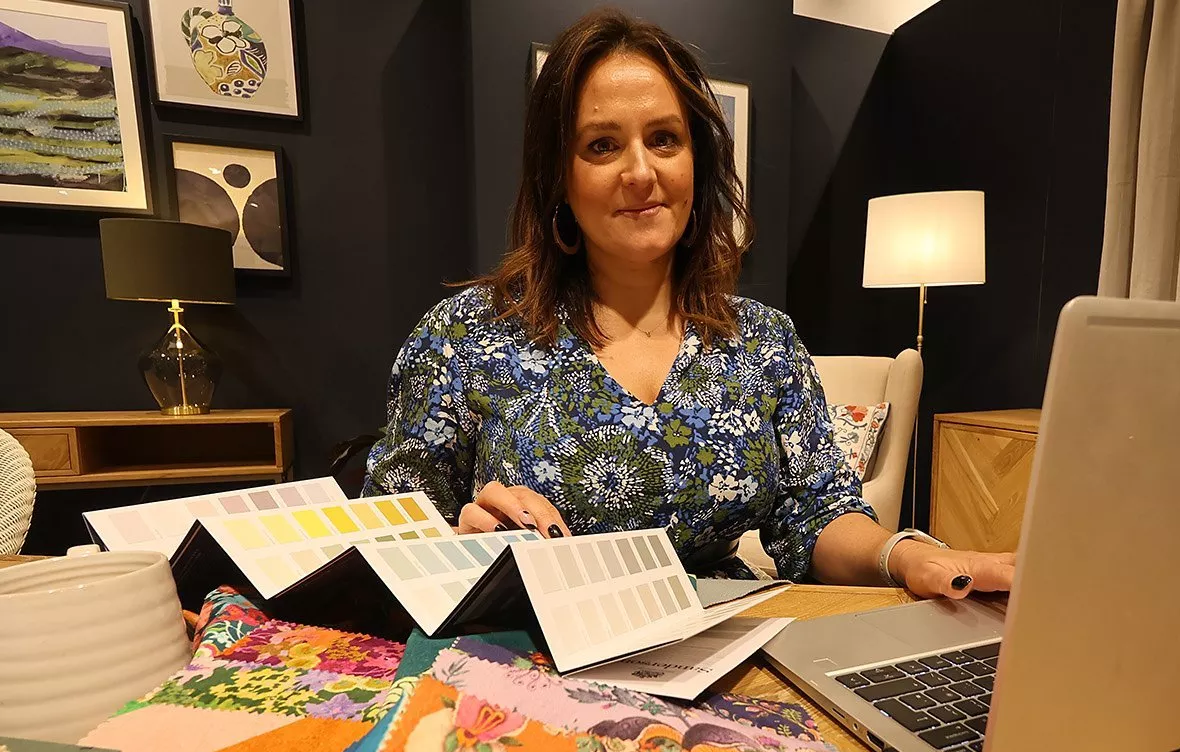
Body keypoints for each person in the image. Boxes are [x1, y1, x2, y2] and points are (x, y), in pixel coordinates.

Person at [364, 8, 1014, 599]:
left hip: (726, 653)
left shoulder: (763, 340)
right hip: (535, 662)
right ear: (558, 177)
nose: (641, 170)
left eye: (664, 139)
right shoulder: (466, 336)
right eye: (602, 145)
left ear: (696, 161)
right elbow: (389, 536)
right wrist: (459, 542)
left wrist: (908, 556)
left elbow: (818, 514)